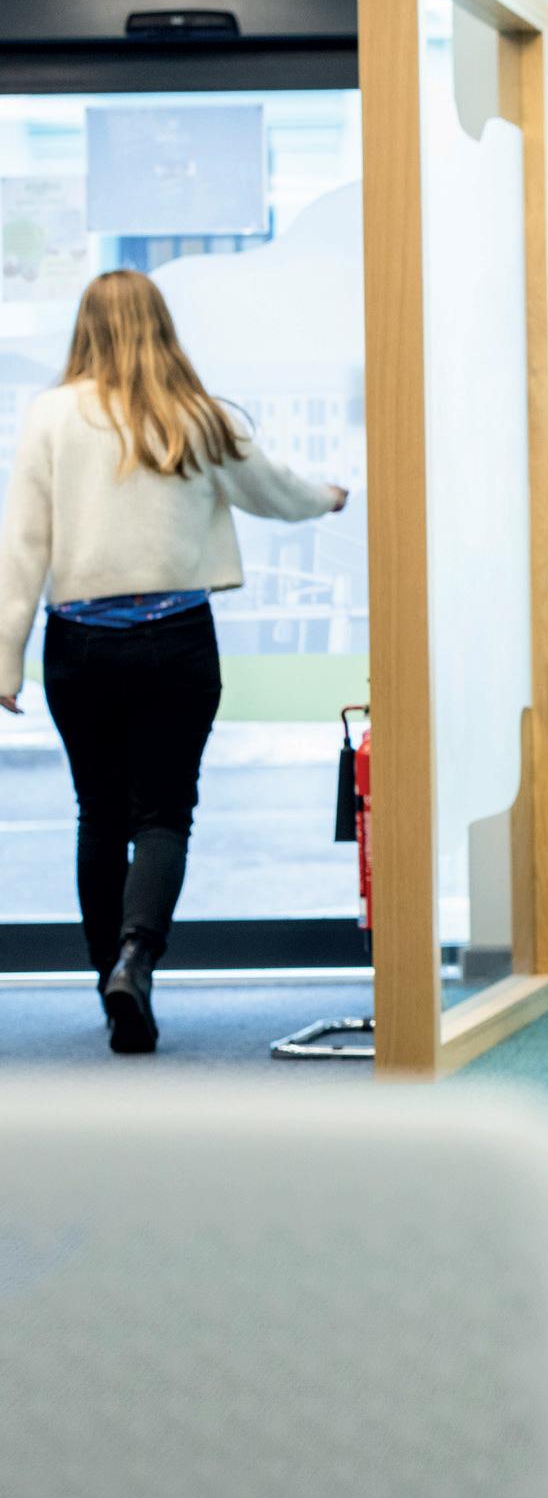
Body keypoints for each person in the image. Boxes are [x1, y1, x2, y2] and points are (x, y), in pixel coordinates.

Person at [0, 270, 347, 1054]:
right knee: (163, 813)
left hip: (81, 643)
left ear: (85, 328)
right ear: (161, 326)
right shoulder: (195, 412)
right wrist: (327, 497)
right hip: (177, 639)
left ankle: (107, 978)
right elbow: (274, 490)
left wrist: (5, 659)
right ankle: (137, 958)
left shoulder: (50, 415)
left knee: (99, 812)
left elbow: (22, 542)